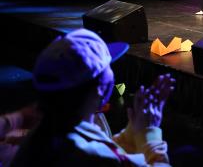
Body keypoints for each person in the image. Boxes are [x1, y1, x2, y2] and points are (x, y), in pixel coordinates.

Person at [10, 28, 175, 166]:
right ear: (101, 88)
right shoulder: (88, 153)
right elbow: (105, 158)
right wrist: (149, 133)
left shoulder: (44, 133)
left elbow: (113, 153)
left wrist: (134, 132)